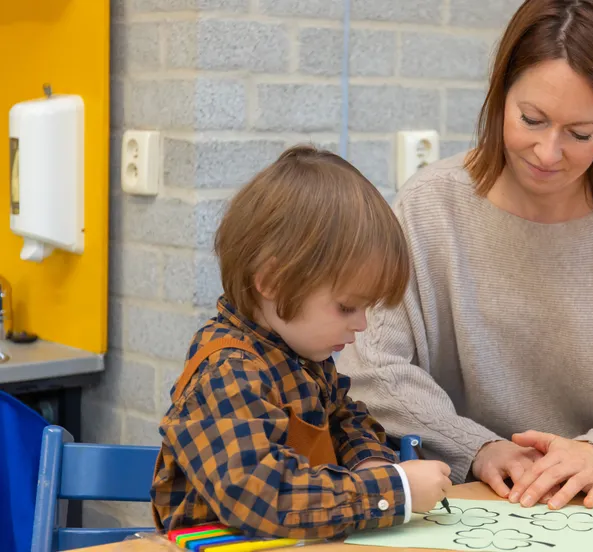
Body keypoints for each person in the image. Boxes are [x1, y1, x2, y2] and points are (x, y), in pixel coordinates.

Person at [337, 0, 593, 513]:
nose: (547, 152)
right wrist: (476, 446)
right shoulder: (429, 207)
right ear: (500, 95)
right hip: (465, 495)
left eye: (580, 134)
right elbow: (373, 368)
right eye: (531, 119)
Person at [150, 145, 452, 539]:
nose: (361, 325)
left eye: (366, 308)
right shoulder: (227, 371)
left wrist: (371, 464)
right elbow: (264, 496)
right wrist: (393, 491)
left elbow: (346, 420)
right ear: (273, 281)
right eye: (346, 307)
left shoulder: (305, 356)